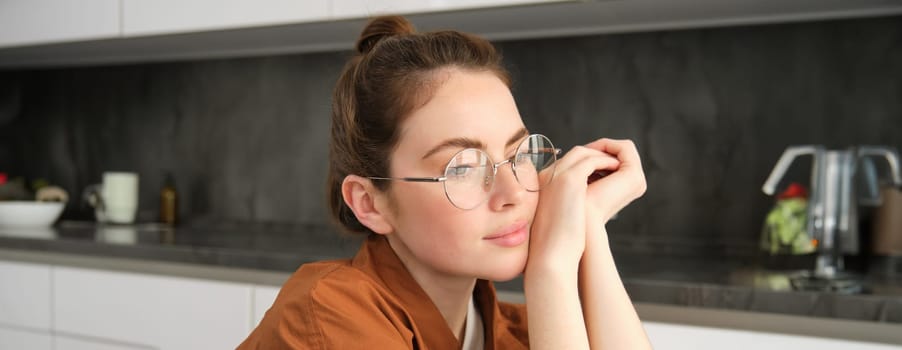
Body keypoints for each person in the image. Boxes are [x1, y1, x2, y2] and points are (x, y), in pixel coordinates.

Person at [239, 15, 651, 350]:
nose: (512, 195)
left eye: (518, 155)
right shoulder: (326, 317)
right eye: (463, 167)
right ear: (369, 203)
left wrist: (588, 223)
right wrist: (551, 267)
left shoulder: (518, 331)